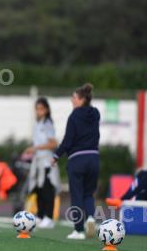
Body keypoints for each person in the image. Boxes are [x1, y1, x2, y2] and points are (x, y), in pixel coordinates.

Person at [52, 83, 100, 240]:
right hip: (93, 158)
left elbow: (68, 141)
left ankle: (78, 230)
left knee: (77, 195)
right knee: (88, 194)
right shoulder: (95, 113)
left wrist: (56, 155)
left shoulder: (74, 116)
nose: (72, 100)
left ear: (82, 99)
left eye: (74, 97)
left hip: (77, 159)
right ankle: (91, 218)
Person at [23, 97, 60, 229]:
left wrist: (35, 148)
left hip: (46, 162)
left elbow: (53, 143)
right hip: (38, 161)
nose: (38, 111)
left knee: (47, 190)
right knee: (38, 189)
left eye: (41, 109)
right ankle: (40, 215)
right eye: (37, 109)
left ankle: (49, 217)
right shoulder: (37, 124)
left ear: (46, 110)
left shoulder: (47, 124)